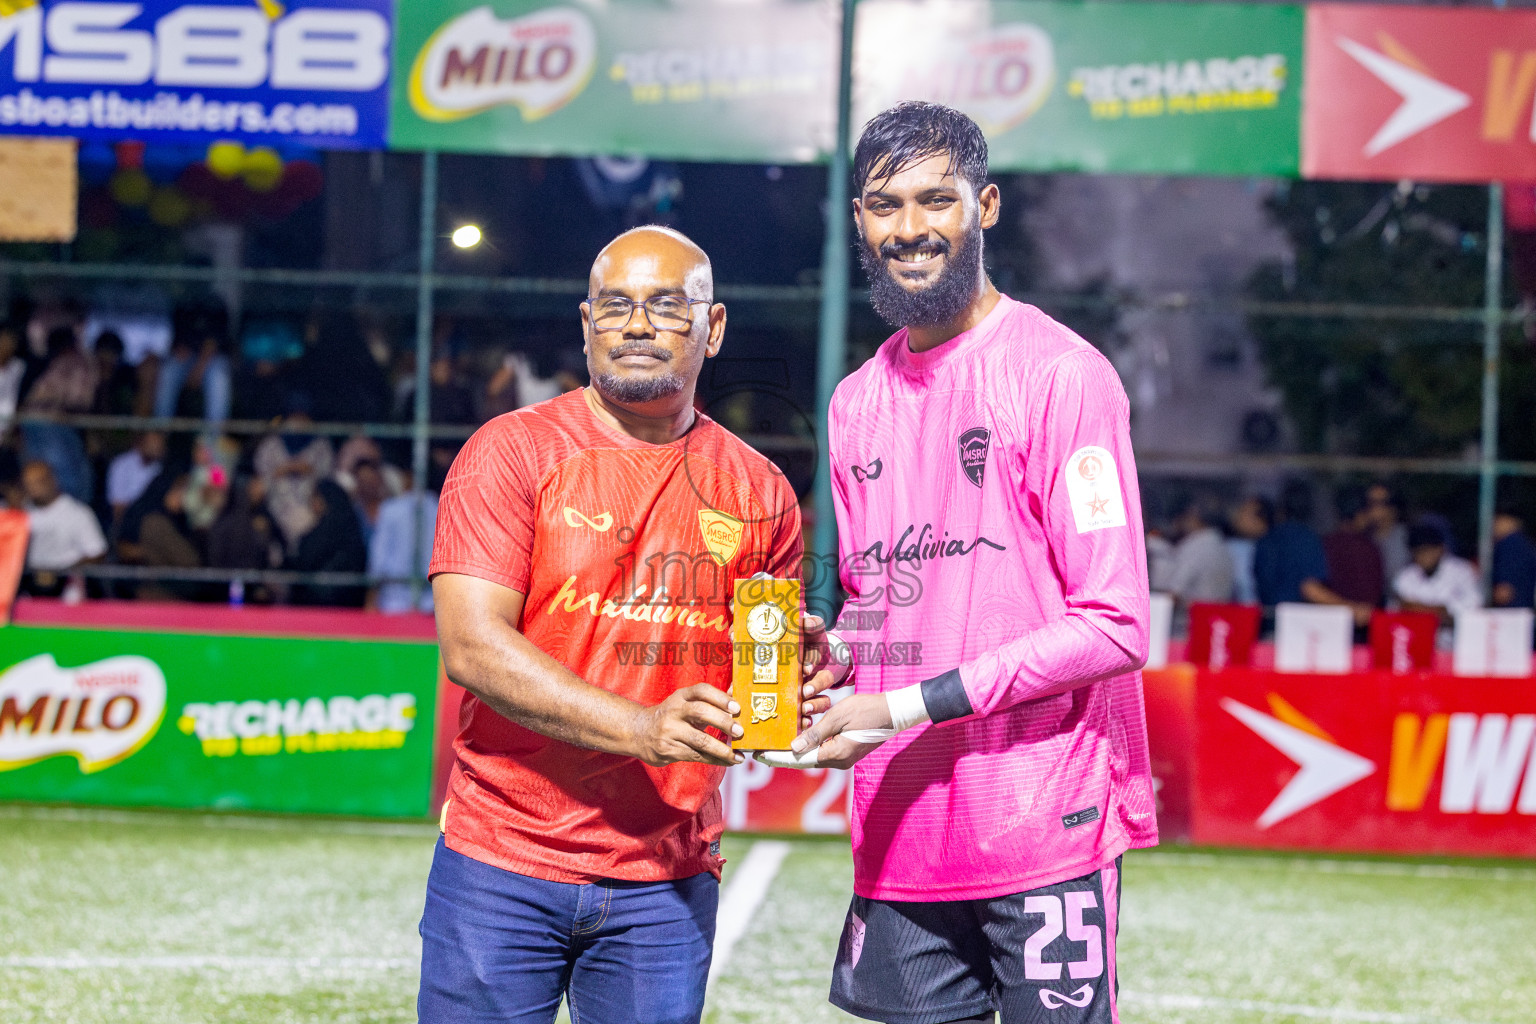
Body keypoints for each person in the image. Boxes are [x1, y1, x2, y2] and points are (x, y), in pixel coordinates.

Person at [791, 102, 1155, 1024]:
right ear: (860, 223)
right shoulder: (854, 403)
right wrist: (835, 660)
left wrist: (900, 705)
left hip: (1042, 819)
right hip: (904, 822)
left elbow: (1113, 625)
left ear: (984, 206)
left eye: (935, 199)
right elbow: (882, 596)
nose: (909, 228)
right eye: (883, 204)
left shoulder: (1062, 376)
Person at [420, 226, 838, 1024]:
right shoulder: (509, 453)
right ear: (586, 324)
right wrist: (642, 727)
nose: (638, 324)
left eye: (667, 307)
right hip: (503, 861)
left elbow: (760, 694)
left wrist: (798, 675)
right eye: (616, 306)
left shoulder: (760, 489)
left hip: (665, 880)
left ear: (712, 329)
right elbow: (472, 647)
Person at [1254, 481, 1370, 624]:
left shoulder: (1266, 539)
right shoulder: (1306, 539)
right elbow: (1310, 588)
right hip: (1294, 627)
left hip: (1266, 623)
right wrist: (1353, 609)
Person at [21, 459, 106, 594]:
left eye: (38, 482)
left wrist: (62, 572)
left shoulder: (77, 513)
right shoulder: (20, 514)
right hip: (29, 583)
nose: (33, 488)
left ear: (52, 480)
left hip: (68, 585)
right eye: (28, 484)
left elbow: (97, 552)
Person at [286, 479, 368, 607]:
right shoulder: (347, 530)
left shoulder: (340, 533)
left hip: (333, 607)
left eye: (315, 496)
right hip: (316, 605)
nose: (312, 501)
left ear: (327, 499)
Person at [368, 468, 438, 614]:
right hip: (431, 606)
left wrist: (370, 603)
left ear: (407, 478)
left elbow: (378, 563)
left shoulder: (390, 509)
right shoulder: (440, 508)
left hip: (394, 605)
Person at [1394, 523, 1482, 627]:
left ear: (1441, 549)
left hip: (1454, 637)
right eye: (1418, 552)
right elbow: (1398, 610)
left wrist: (1427, 610)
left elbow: (1475, 604)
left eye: (1427, 550)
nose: (1423, 556)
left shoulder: (1462, 570)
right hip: (1418, 636)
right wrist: (1437, 611)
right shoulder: (1405, 576)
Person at [1162, 493, 1234, 605]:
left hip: (1193, 618)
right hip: (1217, 615)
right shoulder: (1221, 544)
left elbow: (1174, 592)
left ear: (1193, 515)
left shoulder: (1195, 546)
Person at [1323, 486, 1385, 610]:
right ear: (1359, 514)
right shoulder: (1368, 549)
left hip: (1330, 620)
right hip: (1361, 621)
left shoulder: (1325, 544)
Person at [106, 431, 166, 524]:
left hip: (152, 522)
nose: (157, 447)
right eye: (153, 442)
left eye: (159, 444)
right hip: (126, 522)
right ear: (141, 442)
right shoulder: (121, 464)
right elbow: (117, 506)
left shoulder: (160, 469)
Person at [1365, 482, 1410, 589]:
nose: (1374, 509)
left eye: (1380, 503)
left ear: (1393, 507)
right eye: (1370, 503)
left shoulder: (1406, 537)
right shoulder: (1363, 538)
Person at [1226, 495, 1270, 605]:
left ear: (1261, 521)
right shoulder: (1231, 547)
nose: (1238, 517)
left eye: (1244, 513)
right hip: (1235, 612)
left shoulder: (1272, 549)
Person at [1492, 509, 1536, 610]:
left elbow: (1503, 592)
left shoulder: (1510, 544)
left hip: (1513, 611)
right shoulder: (1525, 543)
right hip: (1525, 608)